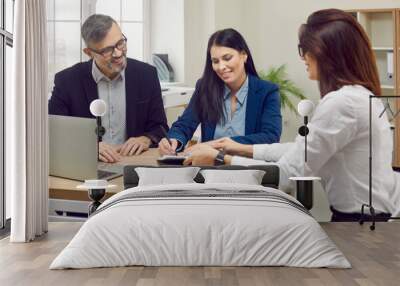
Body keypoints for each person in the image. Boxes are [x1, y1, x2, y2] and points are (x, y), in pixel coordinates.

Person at [183, 9, 400, 221]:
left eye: (305, 50)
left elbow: (288, 173)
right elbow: (301, 148)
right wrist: (239, 147)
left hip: (357, 223)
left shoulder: (342, 104)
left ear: (327, 53)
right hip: (369, 216)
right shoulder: (358, 96)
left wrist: (219, 159)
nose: (303, 57)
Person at [49, 14, 168, 163]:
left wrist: (146, 139)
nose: (118, 53)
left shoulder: (147, 75)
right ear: (89, 53)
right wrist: (90, 146)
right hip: (88, 166)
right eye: (107, 50)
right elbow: (54, 133)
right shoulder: (67, 81)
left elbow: (160, 127)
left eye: (120, 43)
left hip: (135, 164)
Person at [158, 28, 282, 155]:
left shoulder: (267, 91)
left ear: (244, 55)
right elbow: (185, 124)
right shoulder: (205, 87)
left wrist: (214, 145)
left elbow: (270, 137)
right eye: (215, 61)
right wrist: (174, 140)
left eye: (227, 58)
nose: (221, 67)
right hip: (210, 170)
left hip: (251, 168)